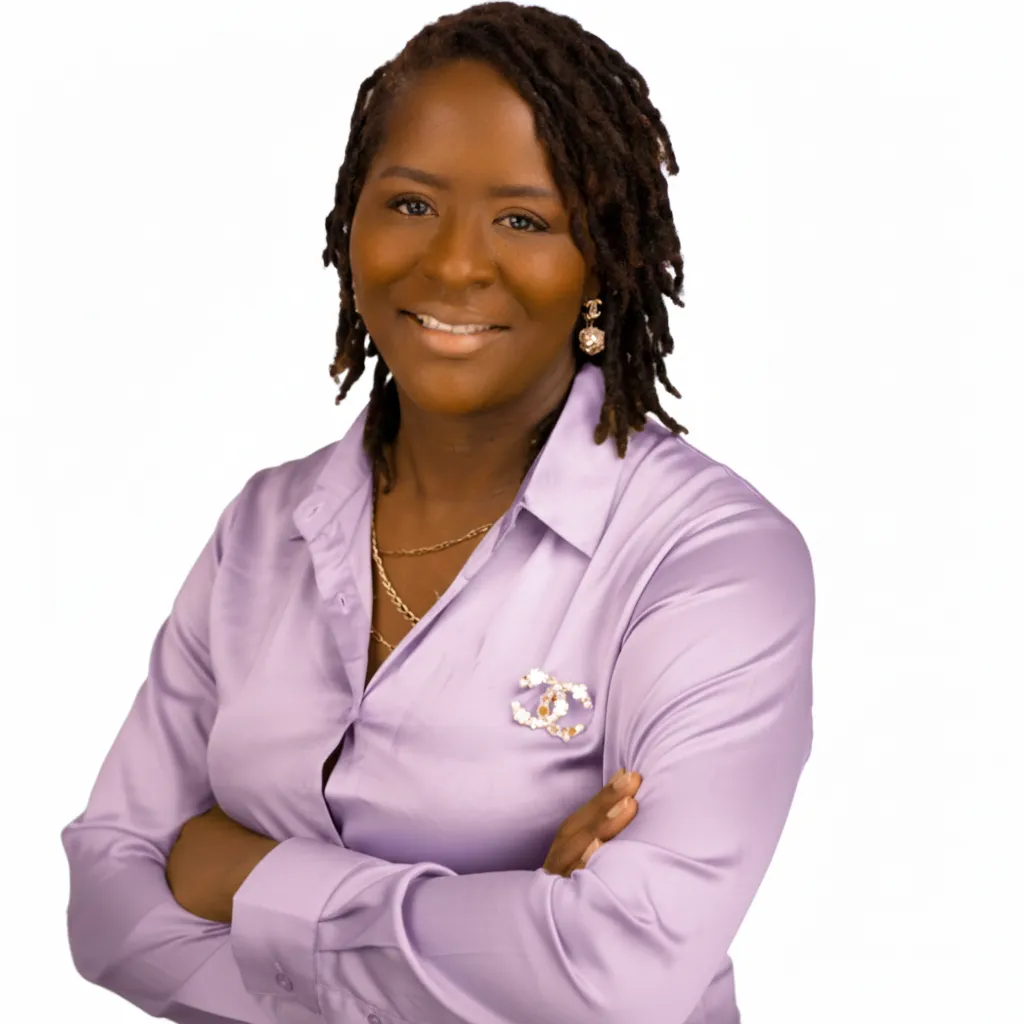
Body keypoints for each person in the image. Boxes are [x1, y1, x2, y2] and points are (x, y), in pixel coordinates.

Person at [61, 4, 815, 1023]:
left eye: (523, 219)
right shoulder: (262, 528)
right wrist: (498, 922)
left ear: (602, 259)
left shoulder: (709, 561)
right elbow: (111, 899)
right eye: (411, 203)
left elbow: (618, 973)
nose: (455, 264)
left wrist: (234, 874)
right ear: (349, 221)